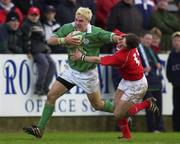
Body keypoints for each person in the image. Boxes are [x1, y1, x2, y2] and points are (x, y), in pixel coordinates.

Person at [23, 7, 123, 138]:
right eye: (76, 19)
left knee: (97, 105)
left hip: (88, 74)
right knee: (51, 96)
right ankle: (40, 130)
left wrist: (121, 39)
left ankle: (123, 111)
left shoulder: (96, 32)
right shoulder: (68, 28)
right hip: (71, 71)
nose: (77, 23)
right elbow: (50, 40)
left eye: (81, 21)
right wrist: (65, 40)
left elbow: (111, 36)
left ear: (88, 21)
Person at [70, 31, 159, 140]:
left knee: (118, 114)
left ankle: (147, 103)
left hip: (137, 85)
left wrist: (81, 57)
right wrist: (113, 35)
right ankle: (127, 136)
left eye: (123, 43)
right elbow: (117, 33)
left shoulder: (122, 57)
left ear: (128, 47)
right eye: (122, 39)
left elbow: (98, 60)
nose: (120, 42)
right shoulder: (129, 41)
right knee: (115, 108)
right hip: (127, 80)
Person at [21, 6, 56, 95]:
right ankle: (39, 87)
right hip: (35, 51)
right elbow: (26, 39)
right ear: (28, 15)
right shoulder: (26, 25)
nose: (34, 17)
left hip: (42, 50)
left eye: (36, 15)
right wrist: (28, 51)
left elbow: (43, 39)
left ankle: (45, 87)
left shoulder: (39, 24)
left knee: (52, 64)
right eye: (32, 15)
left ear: (39, 16)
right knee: (44, 63)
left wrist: (47, 48)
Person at [138, 31, 165, 132]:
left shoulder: (152, 51)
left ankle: (160, 127)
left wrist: (159, 66)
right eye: (147, 39)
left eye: (150, 39)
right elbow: (134, 66)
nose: (148, 41)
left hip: (156, 83)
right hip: (146, 84)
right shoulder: (138, 51)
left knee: (159, 107)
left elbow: (158, 65)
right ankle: (152, 128)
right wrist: (143, 69)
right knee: (150, 108)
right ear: (142, 39)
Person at [166, 31, 180, 131]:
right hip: (176, 86)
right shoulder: (171, 54)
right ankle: (176, 129)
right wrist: (172, 80)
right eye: (175, 40)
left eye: (178, 40)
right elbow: (168, 70)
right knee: (176, 108)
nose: (176, 42)